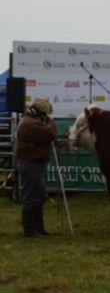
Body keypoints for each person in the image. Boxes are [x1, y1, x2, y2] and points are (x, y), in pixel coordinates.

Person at [14, 97, 57, 237]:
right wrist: (50, 123)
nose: (46, 116)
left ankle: (38, 227)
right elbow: (49, 133)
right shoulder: (30, 124)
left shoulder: (30, 121)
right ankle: (30, 229)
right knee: (31, 196)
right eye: (45, 113)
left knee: (37, 195)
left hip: (33, 163)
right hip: (30, 164)